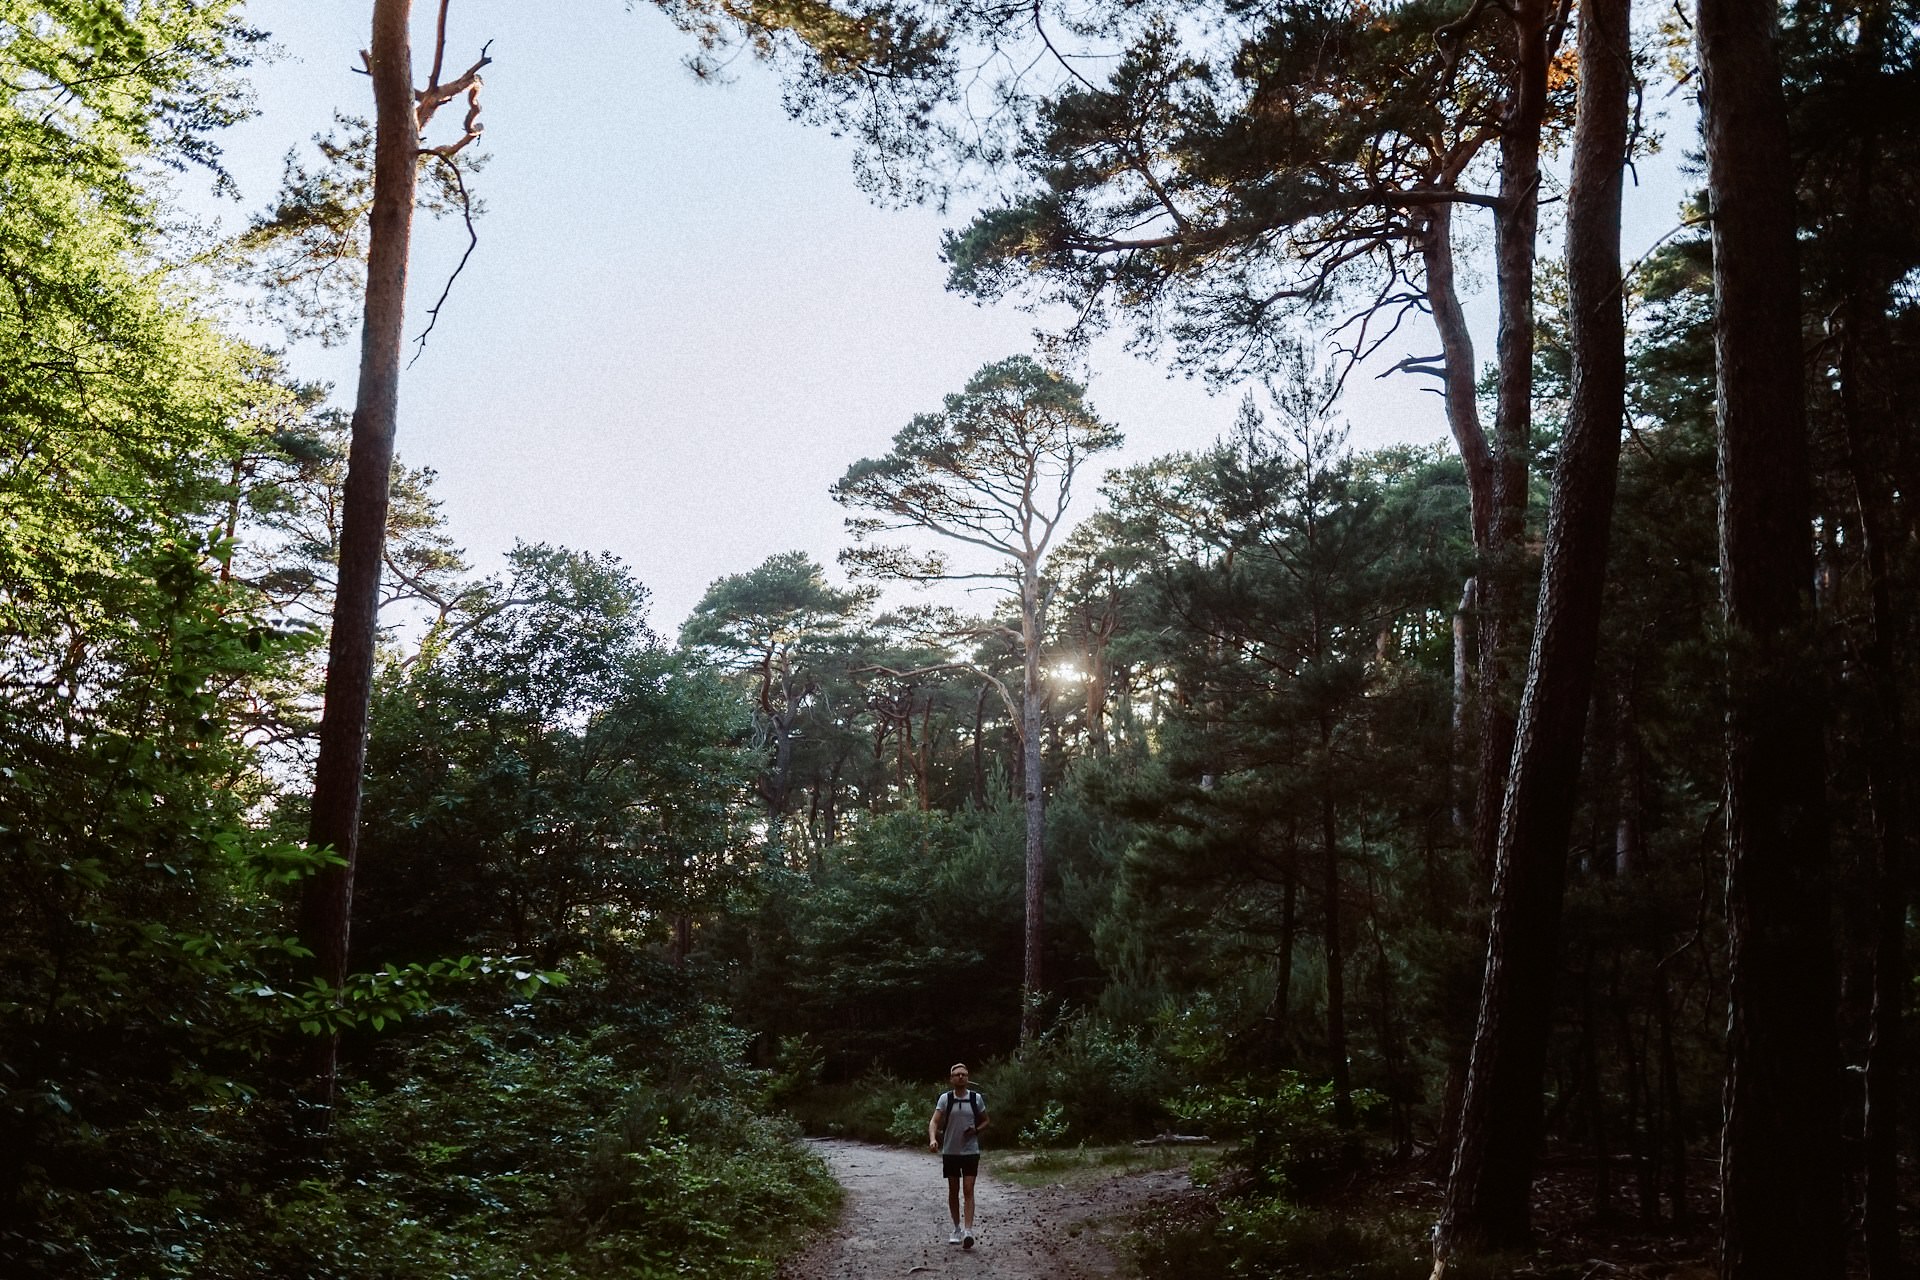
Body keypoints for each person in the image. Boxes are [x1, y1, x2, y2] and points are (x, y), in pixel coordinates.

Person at [927, 1062, 989, 1248]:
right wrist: (933, 1139)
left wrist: (976, 1130)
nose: (960, 1077)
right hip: (950, 1151)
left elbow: (986, 1120)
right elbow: (934, 1122)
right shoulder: (945, 1099)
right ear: (951, 1079)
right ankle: (956, 1228)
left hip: (970, 1150)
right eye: (957, 1074)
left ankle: (968, 1230)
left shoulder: (975, 1099)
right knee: (953, 1190)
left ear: (968, 1077)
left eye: (963, 1074)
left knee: (968, 1189)